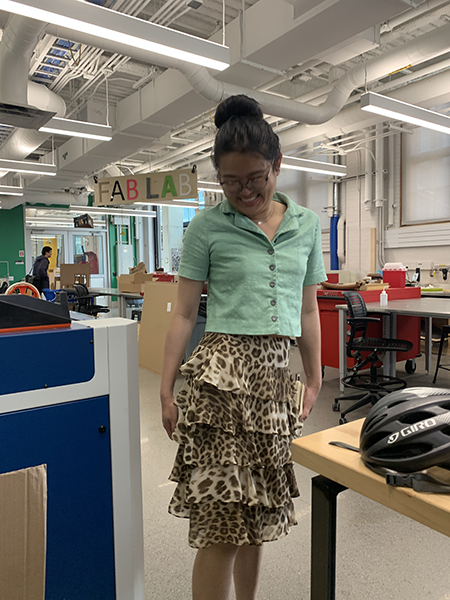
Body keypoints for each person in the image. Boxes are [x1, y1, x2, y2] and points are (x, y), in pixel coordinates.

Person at [160, 94, 327, 600]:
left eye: (254, 179)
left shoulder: (306, 226)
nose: (243, 191)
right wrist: (166, 388)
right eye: (230, 182)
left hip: (276, 383)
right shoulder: (208, 227)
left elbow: (306, 310)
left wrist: (314, 376)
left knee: (258, 514)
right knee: (222, 524)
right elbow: (184, 313)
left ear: (277, 165)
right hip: (222, 383)